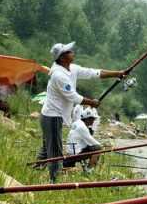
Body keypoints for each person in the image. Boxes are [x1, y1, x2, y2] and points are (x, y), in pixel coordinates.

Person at [38, 42, 125, 183]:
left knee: (47, 148)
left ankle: (35, 171)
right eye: (69, 51)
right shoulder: (58, 75)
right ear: (62, 58)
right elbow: (73, 97)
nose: (72, 52)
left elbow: (94, 73)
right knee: (55, 151)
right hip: (52, 116)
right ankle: (54, 181)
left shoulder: (72, 68)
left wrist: (117, 73)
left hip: (54, 115)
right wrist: (92, 103)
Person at [64, 107, 102, 171]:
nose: (93, 121)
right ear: (87, 119)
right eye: (92, 119)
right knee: (98, 148)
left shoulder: (77, 122)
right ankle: (89, 170)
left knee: (92, 147)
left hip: (71, 150)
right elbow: (92, 142)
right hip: (75, 153)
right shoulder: (82, 127)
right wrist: (103, 146)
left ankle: (87, 168)